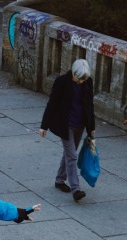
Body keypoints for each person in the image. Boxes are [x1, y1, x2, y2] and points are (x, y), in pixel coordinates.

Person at [39, 59, 96, 202]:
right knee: (72, 156)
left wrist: (91, 128)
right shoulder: (61, 82)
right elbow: (52, 103)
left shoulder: (88, 82)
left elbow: (90, 106)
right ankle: (76, 189)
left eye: (84, 79)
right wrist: (44, 125)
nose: (81, 82)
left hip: (80, 124)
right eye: (79, 79)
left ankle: (59, 180)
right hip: (65, 124)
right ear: (73, 73)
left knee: (69, 153)